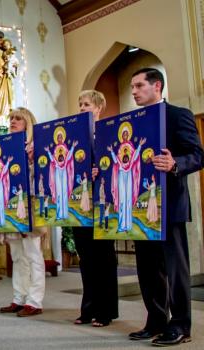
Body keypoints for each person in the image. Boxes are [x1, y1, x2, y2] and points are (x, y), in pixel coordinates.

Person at [128, 68, 203, 346]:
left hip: (169, 203)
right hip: (139, 205)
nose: (133, 91)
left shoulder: (177, 115)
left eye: (138, 85)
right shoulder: (132, 122)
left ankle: (181, 325)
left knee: (174, 268)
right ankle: (156, 320)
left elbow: (197, 155)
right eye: (132, 87)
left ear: (156, 85)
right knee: (147, 269)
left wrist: (175, 164)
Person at [72, 90, 118, 327]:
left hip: (102, 204)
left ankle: (105, 311)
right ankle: (87, 309)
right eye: (80, 104)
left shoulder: (108, 132)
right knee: (86, 258)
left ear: (99, 107)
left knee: (104, 258)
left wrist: (102, 170)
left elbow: (119, 162)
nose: (81, 108)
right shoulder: (76, 137)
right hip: (81, 205)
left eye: (86, 104)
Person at [0, 108, 46, 317]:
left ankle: (35, 301)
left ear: (28, 123)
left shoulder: (36, 147)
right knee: (17, 255)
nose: (13, 121)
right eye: (11, 118)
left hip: (31, 205)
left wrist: (32, 161)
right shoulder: (6, 149)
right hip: (12, 206)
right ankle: (19, 297)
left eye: (18, 118)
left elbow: (44, 174)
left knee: (33, 253)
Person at [108, 128, 146, 233]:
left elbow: (134, 157)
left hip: (128, 174)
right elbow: (116, 161)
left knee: (128, 198)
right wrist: (111, 152)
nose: (124, 135)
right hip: (121, 174)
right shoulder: (120, 148)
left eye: (126, 134)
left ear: (128, 135)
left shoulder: (130, 146)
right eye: (123, 134)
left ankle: (128, 225)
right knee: (122, 199)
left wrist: (140, 145)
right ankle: (121, 226)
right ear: (122, 136)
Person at [45, 129, 77, 220]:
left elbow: (69, 156)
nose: (59, 138)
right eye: (58, 137)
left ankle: (65, 214)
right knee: (59, 192)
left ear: (63, 138)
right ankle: (59, 215)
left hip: (64, 171)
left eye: (60, 137)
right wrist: (48, 151)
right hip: (57, 171)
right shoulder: (55, 149)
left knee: (64, 192)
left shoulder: (65, 147)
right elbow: (53, 160)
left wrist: (73, 147)